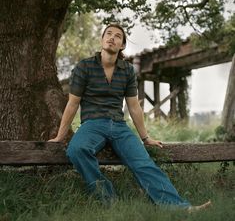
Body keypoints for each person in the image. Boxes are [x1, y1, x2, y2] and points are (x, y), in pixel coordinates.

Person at [49, 24, 211, 211]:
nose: (112, 37)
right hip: (92, 124)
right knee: (76, 150)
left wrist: (145, 137)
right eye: (108, 34)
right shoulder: (84, 67)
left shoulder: (126, 70)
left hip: (118, 125)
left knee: (144, 163)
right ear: (102, 40)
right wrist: (60, 136)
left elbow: (134, 107)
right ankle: (108, 199)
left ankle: (180, 208)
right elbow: (72, 103)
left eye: (117, 36)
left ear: (122, 45)